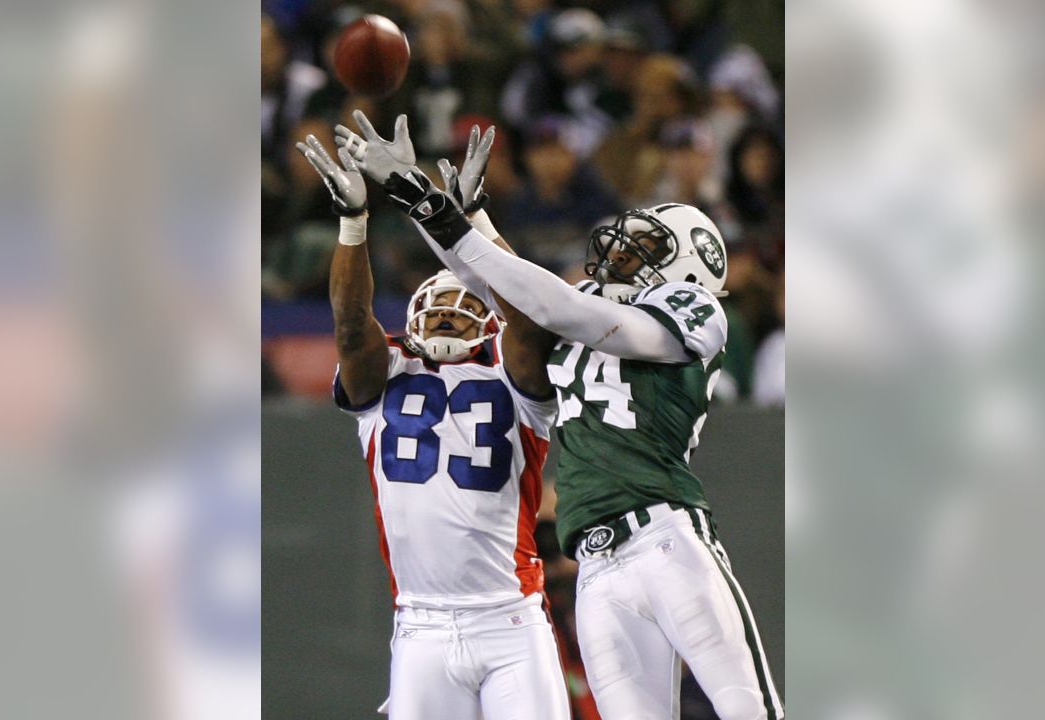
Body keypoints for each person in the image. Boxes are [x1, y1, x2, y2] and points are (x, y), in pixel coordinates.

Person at [336, 112, 784, 720]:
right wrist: (463, 216)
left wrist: (429, 204)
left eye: (650, 247)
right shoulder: (589, 303)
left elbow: (565, 309)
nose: (626, 251)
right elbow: (517, 298)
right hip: (595, 565)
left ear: (692, 268)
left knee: (749, 710)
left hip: (666, 537)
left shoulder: (694, 309)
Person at [295, 129, 570, 720]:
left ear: (487, 322)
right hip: (420, 623)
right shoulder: (385, 371)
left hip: (511, 618)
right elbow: (349, 323)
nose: (446, 313)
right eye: (436, 305)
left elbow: (528, 317)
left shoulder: (513, 377)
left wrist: (471, 225)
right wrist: (353, 221)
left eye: (463, 306)